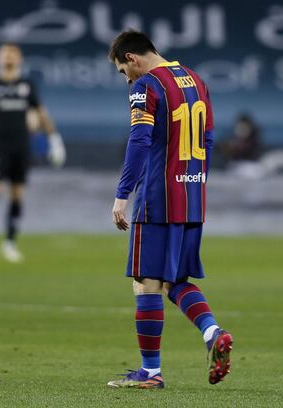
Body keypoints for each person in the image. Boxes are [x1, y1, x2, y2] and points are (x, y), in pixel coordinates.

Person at [107, 30, 233, 389]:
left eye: (122, 70)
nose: (125, 79)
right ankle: (212, 333)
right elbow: (208, 139)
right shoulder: (196, 79)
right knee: (174, 279)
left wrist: (123, 193)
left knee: (145, 282)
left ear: (132, 58)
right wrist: (194, 180)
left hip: (157, 198)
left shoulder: (146, 85)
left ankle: (149, 372)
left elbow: (140, 139)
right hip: (192, 195)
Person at [0, 43, 66, 262]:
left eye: (13, 54)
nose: (9, 57)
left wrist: (54, 139)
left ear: (19, 59)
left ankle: (9, 243)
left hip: (21, 146)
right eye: (5, 54)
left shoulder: (28, 85)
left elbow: (41, 114)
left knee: (18, 194)